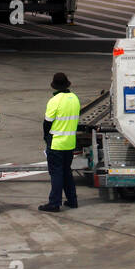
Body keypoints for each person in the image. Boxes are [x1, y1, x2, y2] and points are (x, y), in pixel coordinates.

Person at [38, 72, 81, 212]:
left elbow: (47, 123)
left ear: (55, 85)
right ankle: (72, 200)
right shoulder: (75, 98)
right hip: (70, 143)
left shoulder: (54, 101)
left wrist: (46, 137)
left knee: (56, 173)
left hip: (56, 143)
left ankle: (54, 203)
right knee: (67, 172)